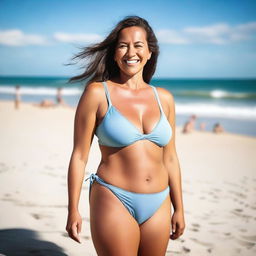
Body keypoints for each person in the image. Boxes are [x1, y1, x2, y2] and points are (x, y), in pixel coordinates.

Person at [66, 15, 185, 256]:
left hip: (160, 202)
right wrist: (73, 209)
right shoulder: (98, 93)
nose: (131, 52)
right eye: (123, 45)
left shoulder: (165, 99)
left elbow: (170, 158)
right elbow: (80, 155)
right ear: (114, 52)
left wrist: (179, 208)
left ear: (150, 52)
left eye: (138, 45)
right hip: (113, 197)